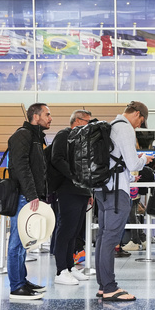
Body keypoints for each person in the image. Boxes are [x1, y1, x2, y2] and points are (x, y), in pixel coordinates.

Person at [93, 101, 154, 301]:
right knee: (110, 239)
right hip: (116, 193)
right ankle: (110, 287)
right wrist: (145, 158)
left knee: (103, 238)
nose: (138, 126)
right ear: (137, 114)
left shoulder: (111, 126)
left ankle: (103, 286)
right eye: (141, 122)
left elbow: (116, 162)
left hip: (102, 189)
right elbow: (133, 162)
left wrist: (128, 176)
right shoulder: (125, 129)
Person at [7, 102, 52, 300]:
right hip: (23, 196)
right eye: (47, 114)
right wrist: (32, 194)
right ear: (36, 116)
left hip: (30, 196)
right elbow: (21, 167)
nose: (50, 118)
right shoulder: (23, 135)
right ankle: (16, 286)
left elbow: (38, 169)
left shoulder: (35, 137)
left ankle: (22, 281)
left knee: (24, 242)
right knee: (16, 243)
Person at [51, 110, 93, 285]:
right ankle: (61, 271)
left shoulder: (82, 141)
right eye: (86, 122)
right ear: (76, 120)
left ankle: (70, 267)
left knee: (74, 232)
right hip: (67, 189)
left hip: (81, 190)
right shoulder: (64, 135)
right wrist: (74, 176)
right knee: (65, 230)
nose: (89, 126)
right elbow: (57, 158)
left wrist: (88, 191)